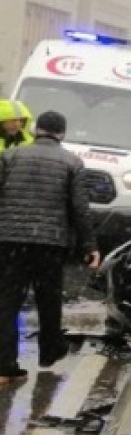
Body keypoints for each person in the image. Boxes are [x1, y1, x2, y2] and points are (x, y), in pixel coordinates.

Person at [0, 111, 100, 384]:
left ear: (35, 130)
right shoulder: (73, 163)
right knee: (49, 298)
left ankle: (6, 364)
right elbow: (80, 209)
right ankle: (49, 351)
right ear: (62, 134)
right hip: (49, 243)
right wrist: (89, 246)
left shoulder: (10, 157)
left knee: (7, 302)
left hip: (10, 240)